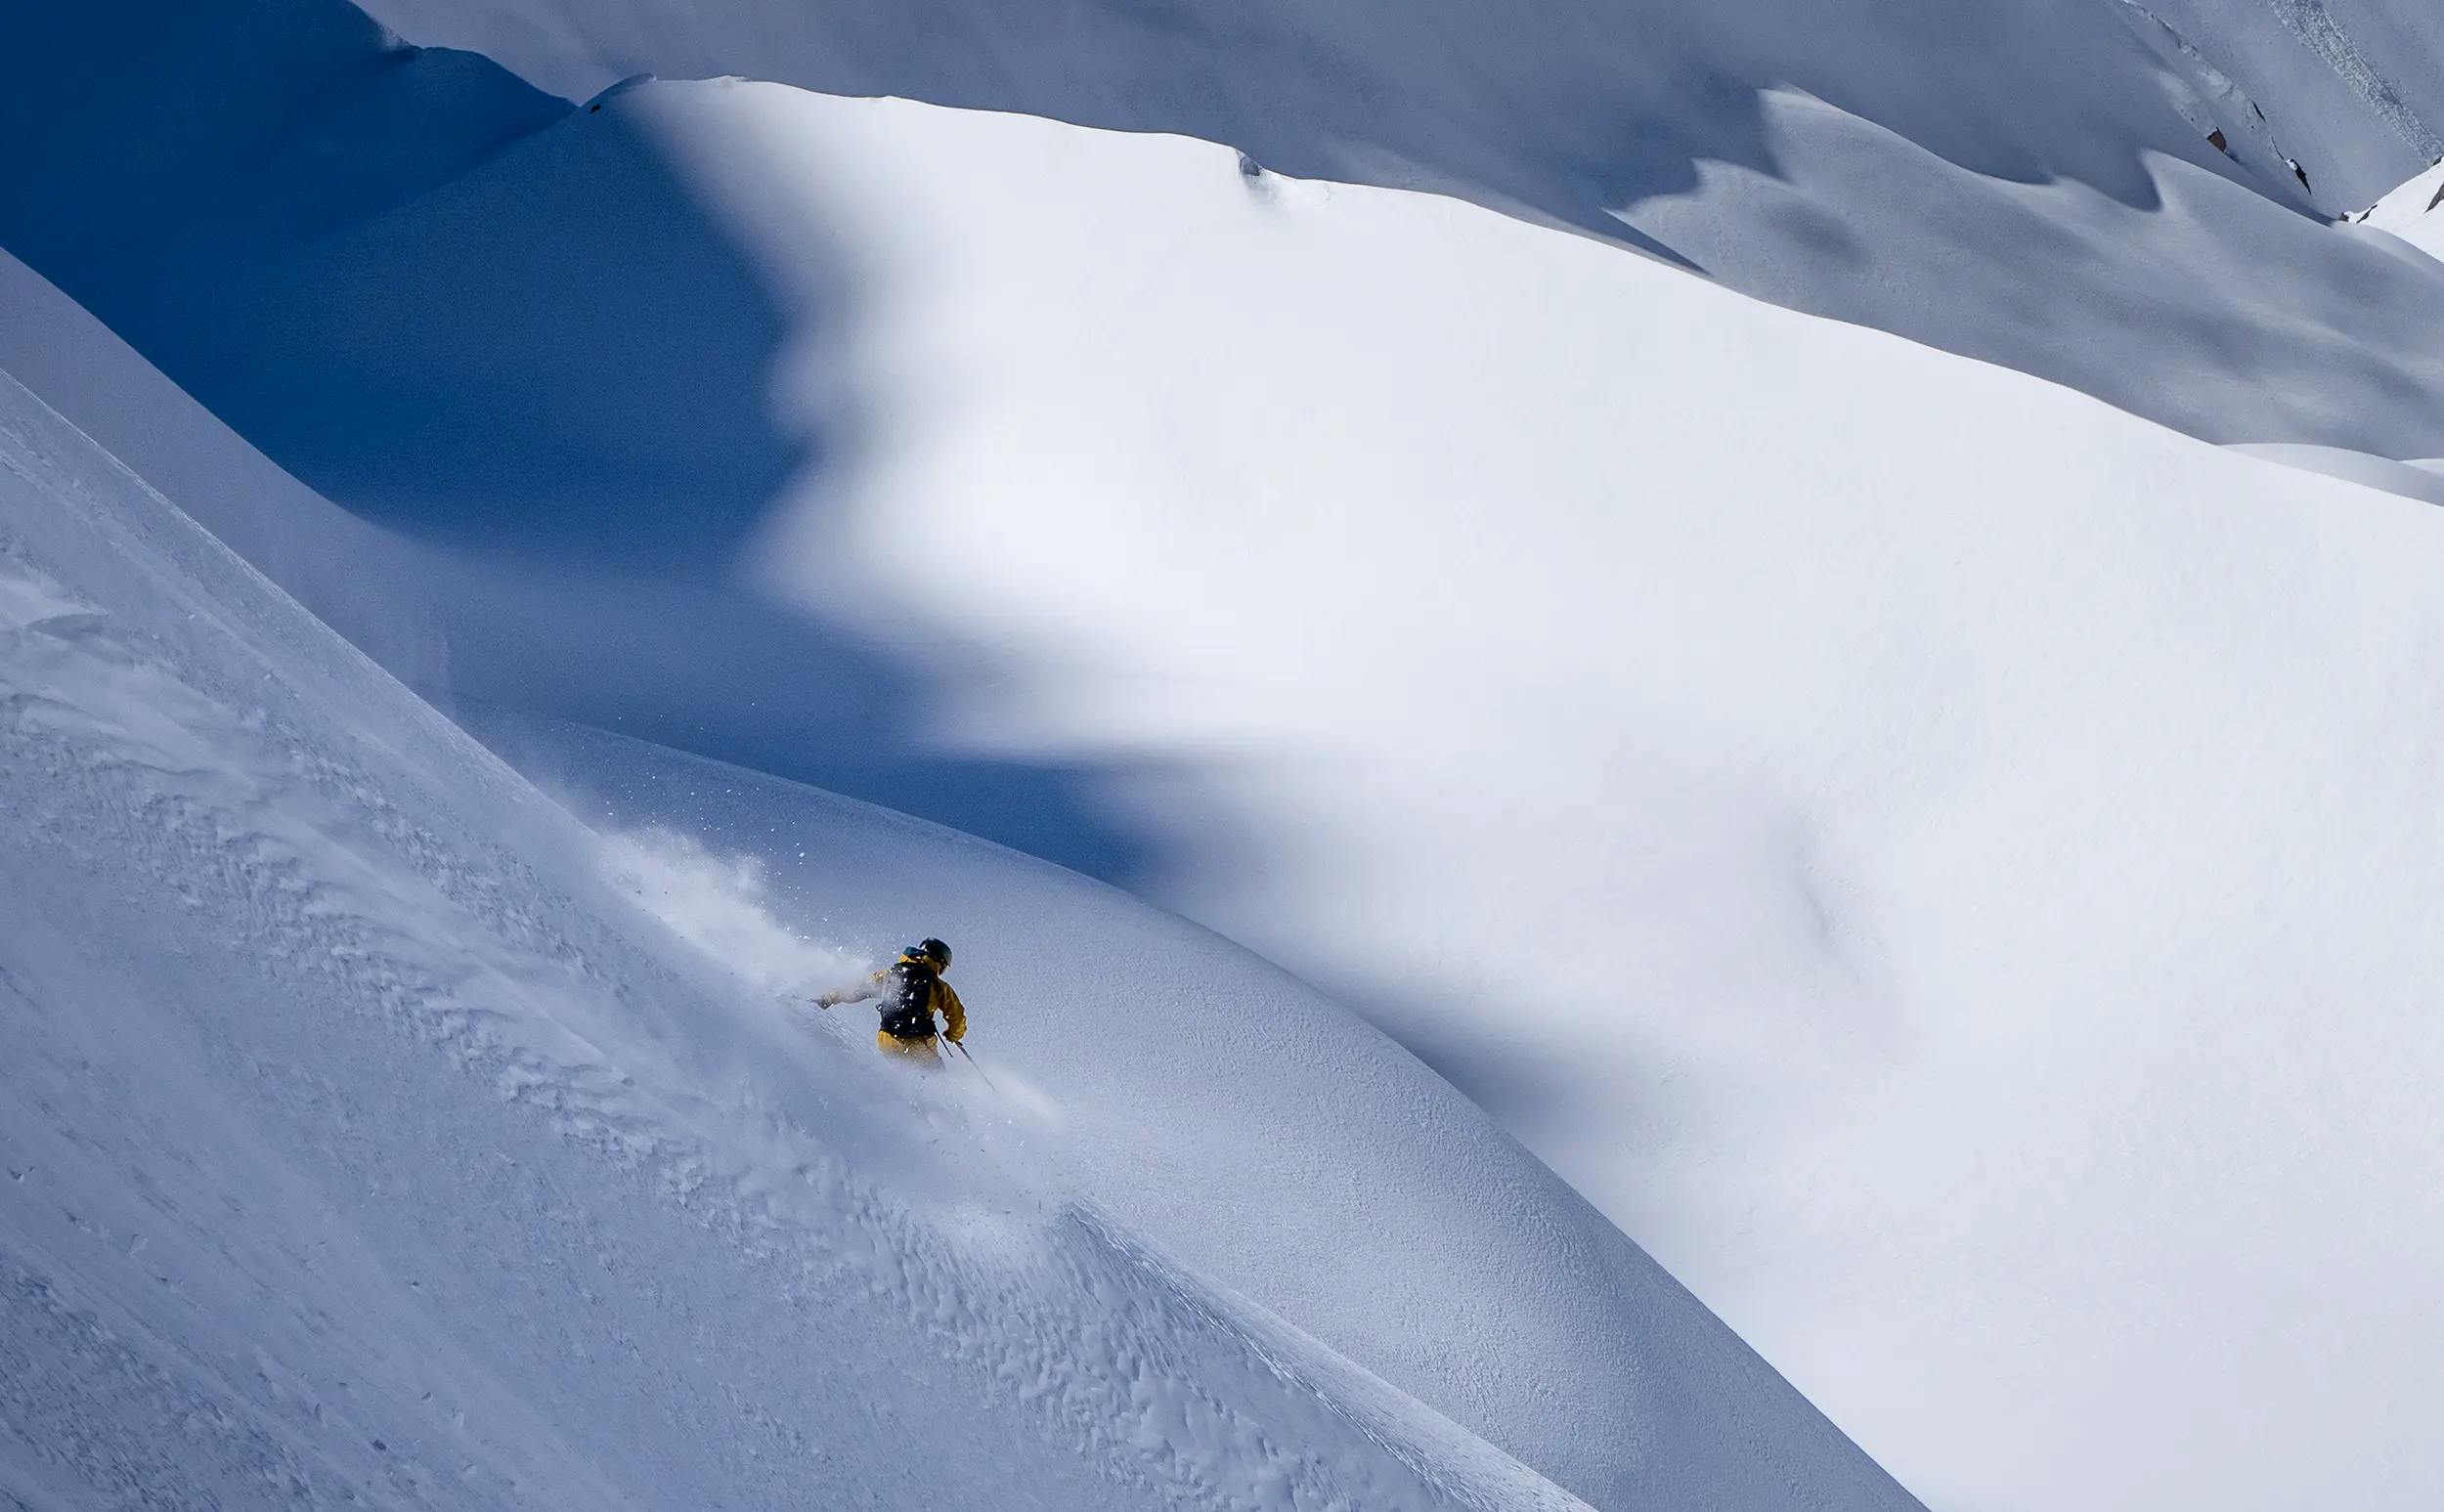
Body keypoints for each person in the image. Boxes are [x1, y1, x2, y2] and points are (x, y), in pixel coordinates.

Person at [815, 938, 967, 1063]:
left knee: (895, 1072)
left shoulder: (890, 974)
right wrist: (953, 1035)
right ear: (939, 962)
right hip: (917, 1044)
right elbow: (957, 1018)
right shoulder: (939, 986)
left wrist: (831, 996)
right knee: (937, 1078)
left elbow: (858, 988)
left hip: (886, 1039)